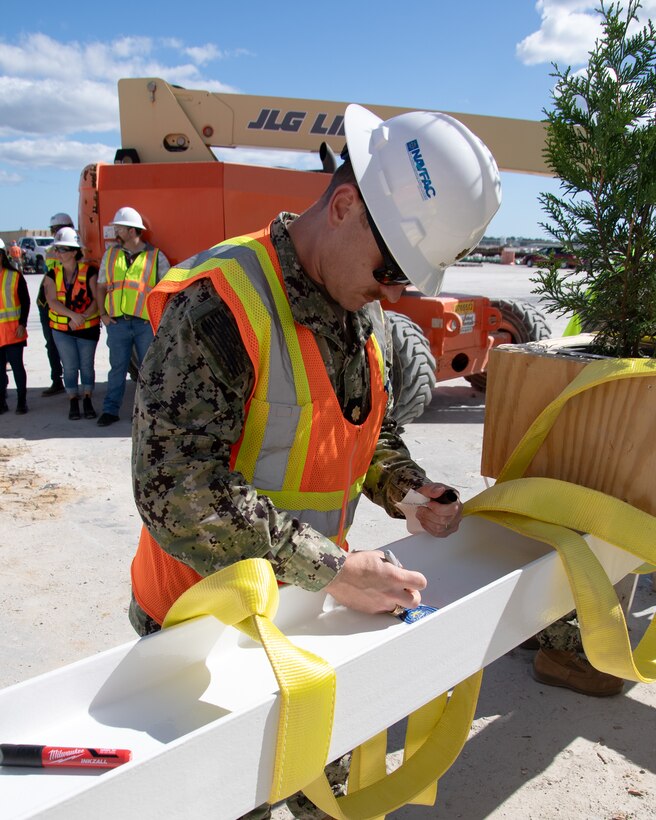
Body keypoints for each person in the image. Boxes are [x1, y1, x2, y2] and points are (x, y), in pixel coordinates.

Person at [129, 104, 502, 819]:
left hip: (309, 612)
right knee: (230, 798)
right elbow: (179, 493)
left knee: (311, 780)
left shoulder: (357, 304)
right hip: (198, 625)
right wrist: (334, 568)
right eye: (389, 269)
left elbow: (360, 430)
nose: (393, 293)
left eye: (406, 280)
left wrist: (405, 487)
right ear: (341, 207)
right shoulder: (219, 305)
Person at [95, 207, 170, 427]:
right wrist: (103, 315)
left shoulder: (156, 257)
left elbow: (167, 289)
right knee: (117, 367)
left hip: (144, 324)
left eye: (119, 227)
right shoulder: (111, 255)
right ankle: (110, 410)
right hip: (117, 323)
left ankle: (147, 413)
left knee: (149, 369)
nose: (115, 230)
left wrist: (156, 318)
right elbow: (101, 286)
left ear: (131, 230)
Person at [42, 228, 101, 420]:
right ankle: (73, 400)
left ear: (74, 251)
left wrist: (82, 317)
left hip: (88, 330)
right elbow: (52, 301)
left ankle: (87, 399)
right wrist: (72, 317)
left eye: (62, 249)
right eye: (57, 249)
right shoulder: (52, 274)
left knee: (86, 366)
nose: (58, 253)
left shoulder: (89, 271)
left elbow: (96, 299)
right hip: (62, 330)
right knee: (69, 367)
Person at [39, 212, 76, 397]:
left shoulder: (77, 248)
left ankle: (75, 384)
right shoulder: (49, 252)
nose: (54, 233)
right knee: (52, 344)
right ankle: (57, 380)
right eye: (52, 230)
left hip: (73, 303)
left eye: (55, 229)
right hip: (51, 302)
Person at [0, 238, 30, 414]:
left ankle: (21, 401)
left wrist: (22, 324)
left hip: (13, 331)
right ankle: (1, 401)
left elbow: (25, 302)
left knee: (17, 367)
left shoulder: (14, 276)